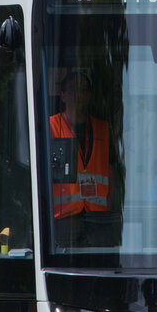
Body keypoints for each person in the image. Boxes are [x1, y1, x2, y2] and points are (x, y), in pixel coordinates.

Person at [49, 70, 111, 219]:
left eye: (83, 90)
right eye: (73, 89)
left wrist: (109, 209)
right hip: (62, 216)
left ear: (90, 95)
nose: (78, 94)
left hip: (98, 214)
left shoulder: (103, 128)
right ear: (63, 96)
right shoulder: (50, 126)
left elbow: (111, 168)